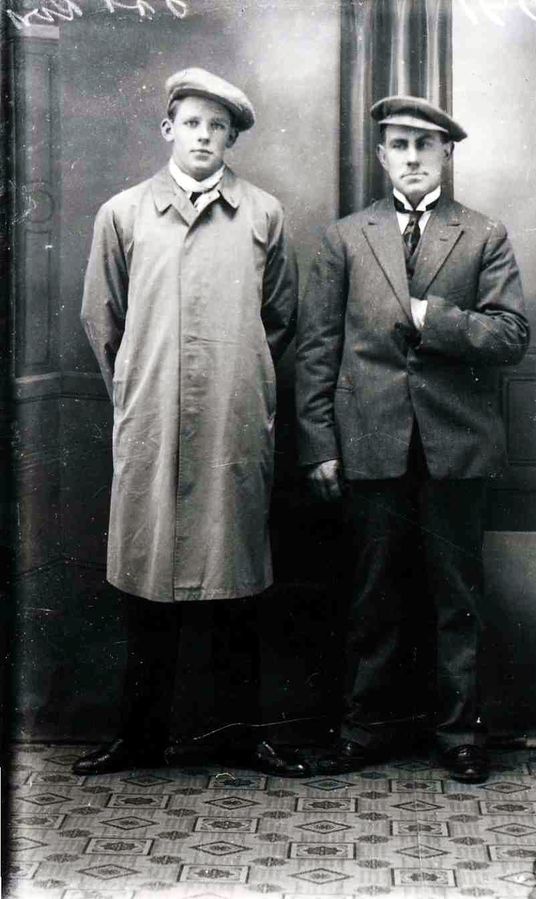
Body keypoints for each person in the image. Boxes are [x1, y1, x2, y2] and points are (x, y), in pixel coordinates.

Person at [75, 68, 306, 777]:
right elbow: (103, 320)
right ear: (168, 129)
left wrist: (239, 380)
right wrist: (143, 387)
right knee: (147, 578)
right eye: (193, 124)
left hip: (233, 422)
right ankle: (139, 738)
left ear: (231, 138)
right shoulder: (123, 213)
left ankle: (240, 735)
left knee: (236, 577)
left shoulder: (264, 214)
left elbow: (280, 317)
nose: (204, 137)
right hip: (151, 419)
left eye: (218, 127)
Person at [296, 95, 529, 784]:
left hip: (456, 447)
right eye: (399, 144)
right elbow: (317, 350)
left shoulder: (483, 235)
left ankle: (460, 734)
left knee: (458, 597)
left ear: (446, 155)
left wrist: (434, 317)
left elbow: (511, 335)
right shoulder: (345, 238)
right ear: (381, 155)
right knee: (371, 595)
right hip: (369, 442)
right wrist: (319, 445)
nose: (412, 157)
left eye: (426, 145)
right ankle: (364, 729)